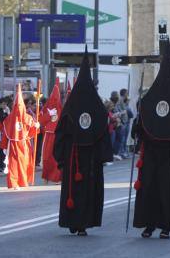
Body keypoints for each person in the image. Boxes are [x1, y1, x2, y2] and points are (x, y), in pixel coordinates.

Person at [133, 29, 170, 239]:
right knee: (157, 189)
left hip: (164, 153)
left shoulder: (156, 96)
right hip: (163, 152)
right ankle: (156, 226)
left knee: (159, 189)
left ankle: (159, 226)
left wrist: (138, 130)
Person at [54, 52, 112, 236]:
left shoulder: (70, 107)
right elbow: (103, 132)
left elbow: (61, 133)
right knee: (88, 190)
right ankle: (84, 223)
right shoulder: (98, 108)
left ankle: (73, 221)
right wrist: (104, 156)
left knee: (74, 190)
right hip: (91, 159)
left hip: (73, 158)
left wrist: (61, 158)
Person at [0, 85, 39, 190]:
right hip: (15, 144)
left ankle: (20, 181)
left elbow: (33, 129)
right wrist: (36, 127)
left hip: (23, 144)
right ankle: (14, 182)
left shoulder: (23, 118)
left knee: (22, 163)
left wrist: (36, 126)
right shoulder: (11, 118)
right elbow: (5, 131)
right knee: (14, 164)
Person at [39, 84, 63, 183]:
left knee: (52, 156)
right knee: (48, 157)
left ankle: (54, 177)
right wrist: (48, 114)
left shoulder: (59, 109)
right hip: (49, 135)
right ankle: (48, 177)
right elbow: (41, 121)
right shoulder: (47, 109)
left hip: (54, 135)